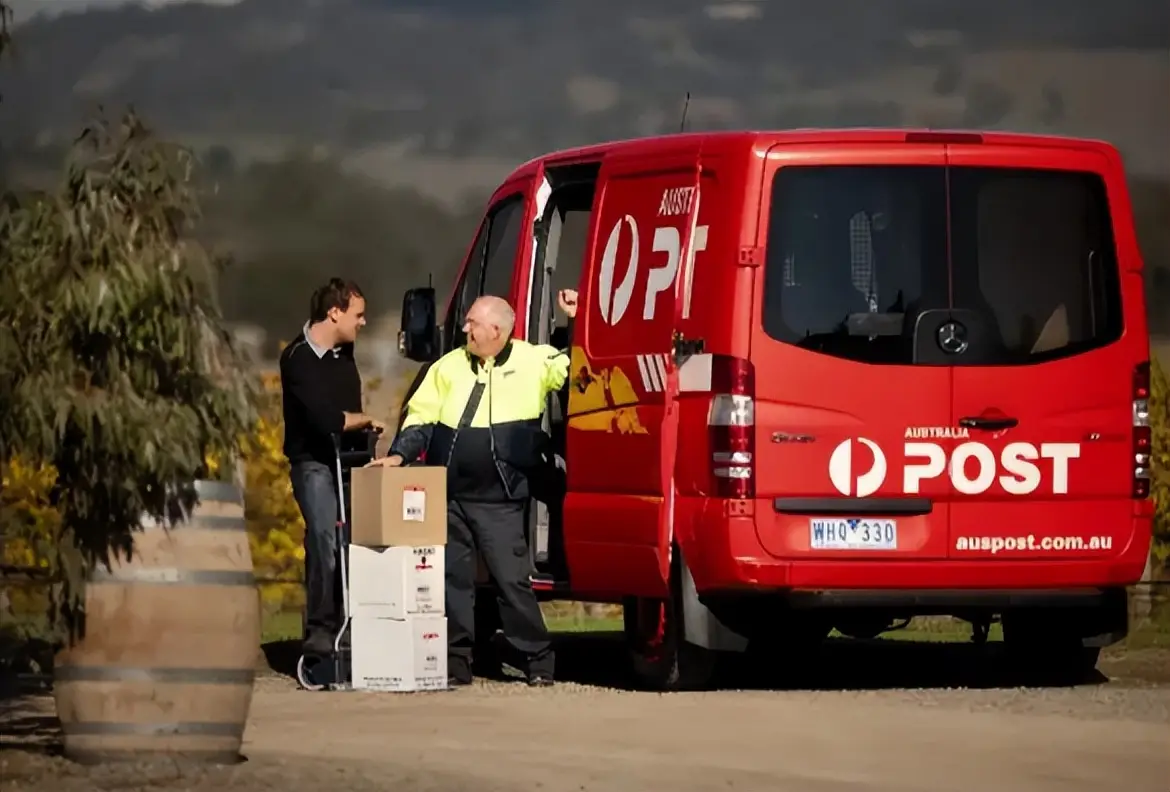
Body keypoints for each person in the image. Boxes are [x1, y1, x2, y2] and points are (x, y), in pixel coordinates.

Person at [372, 290, 579, 687]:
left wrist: (570, 320)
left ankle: (538, 661)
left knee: (510, 581)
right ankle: (455, 662)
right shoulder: (447, 366)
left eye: (472, 323)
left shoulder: (534, 360)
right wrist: (399, 455)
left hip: (500, 496)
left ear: (497, 331)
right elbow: (421, 416)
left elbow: (575, 368)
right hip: (450, 495)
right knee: (453, 580)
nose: (464, 328)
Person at [280, 278, 386, 658]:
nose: (361, 323)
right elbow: (324, 418)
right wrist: (361, 419)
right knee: (324, 538)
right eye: (357, 315)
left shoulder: (345, 353)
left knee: (355, 544)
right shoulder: (297, 359)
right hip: (314, 464)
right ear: (334, 312)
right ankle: (321, 629)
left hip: (349, 459)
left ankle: (355, 622)